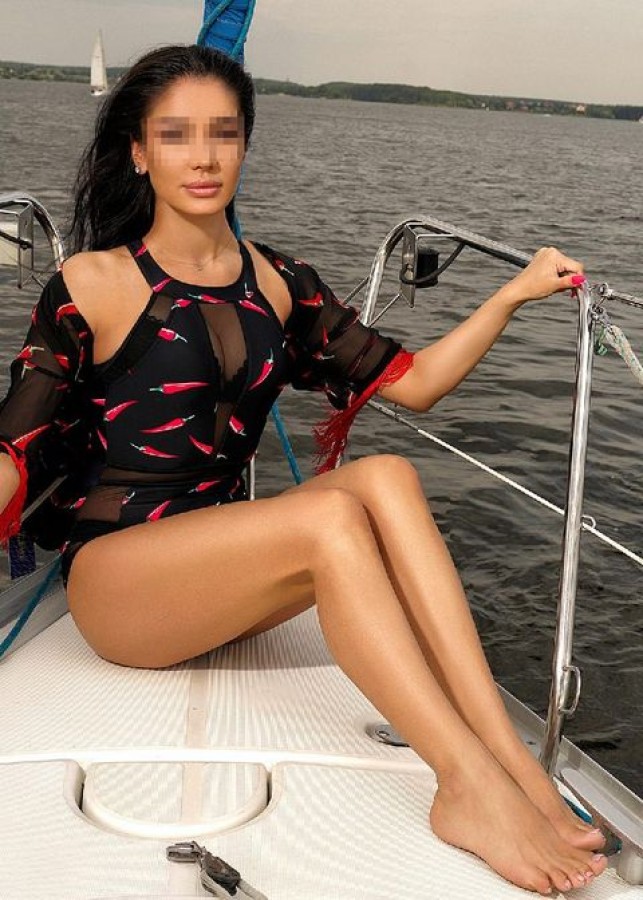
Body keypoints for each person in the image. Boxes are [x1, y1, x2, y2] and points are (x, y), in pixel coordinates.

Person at [0, 43, 607, 895]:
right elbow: (13, 447)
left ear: (245, 144)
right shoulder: (91, 281)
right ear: (138, 152)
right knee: (329, 518)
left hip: (220, 577)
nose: (202, 157)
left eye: (222, 133)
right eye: (175, 135)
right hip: (119, 587)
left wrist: (510, 294)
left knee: (387, 475)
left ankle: (512, 762)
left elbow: (415, 385)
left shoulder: (280, 283)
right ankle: (463, 785)